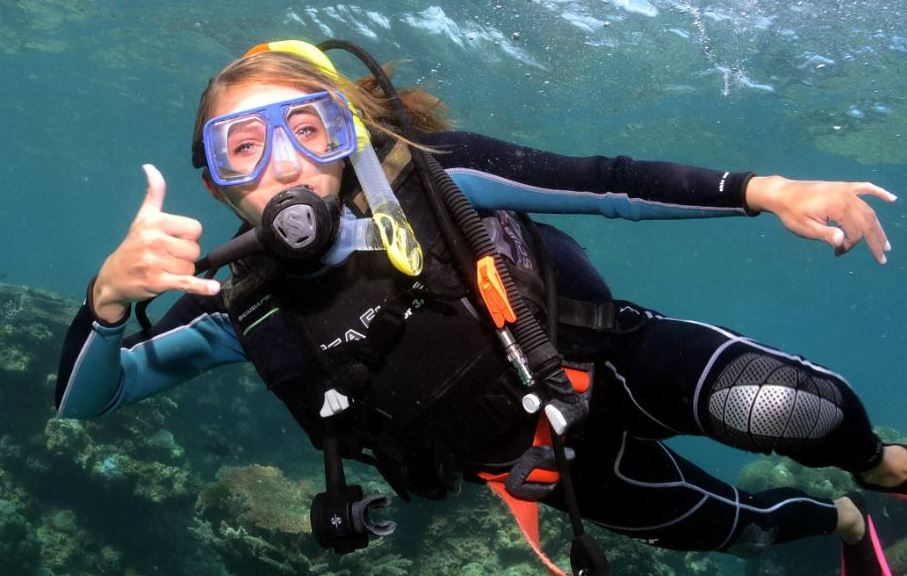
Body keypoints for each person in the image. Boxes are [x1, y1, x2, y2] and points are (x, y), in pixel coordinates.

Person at [56, 38, 904, 575]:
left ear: (348, 131)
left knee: (797, 405)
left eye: (307, 128)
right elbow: (88, 399)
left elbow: (604, 180)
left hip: (612, 359)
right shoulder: (234, 303)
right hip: (547, 469)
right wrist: (104, 303)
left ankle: (877, 464)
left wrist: (768, 188)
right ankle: (837, 521)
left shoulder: (434, 175)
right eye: (242, 148)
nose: (282, 164)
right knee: (732, 528)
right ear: (217, 183)